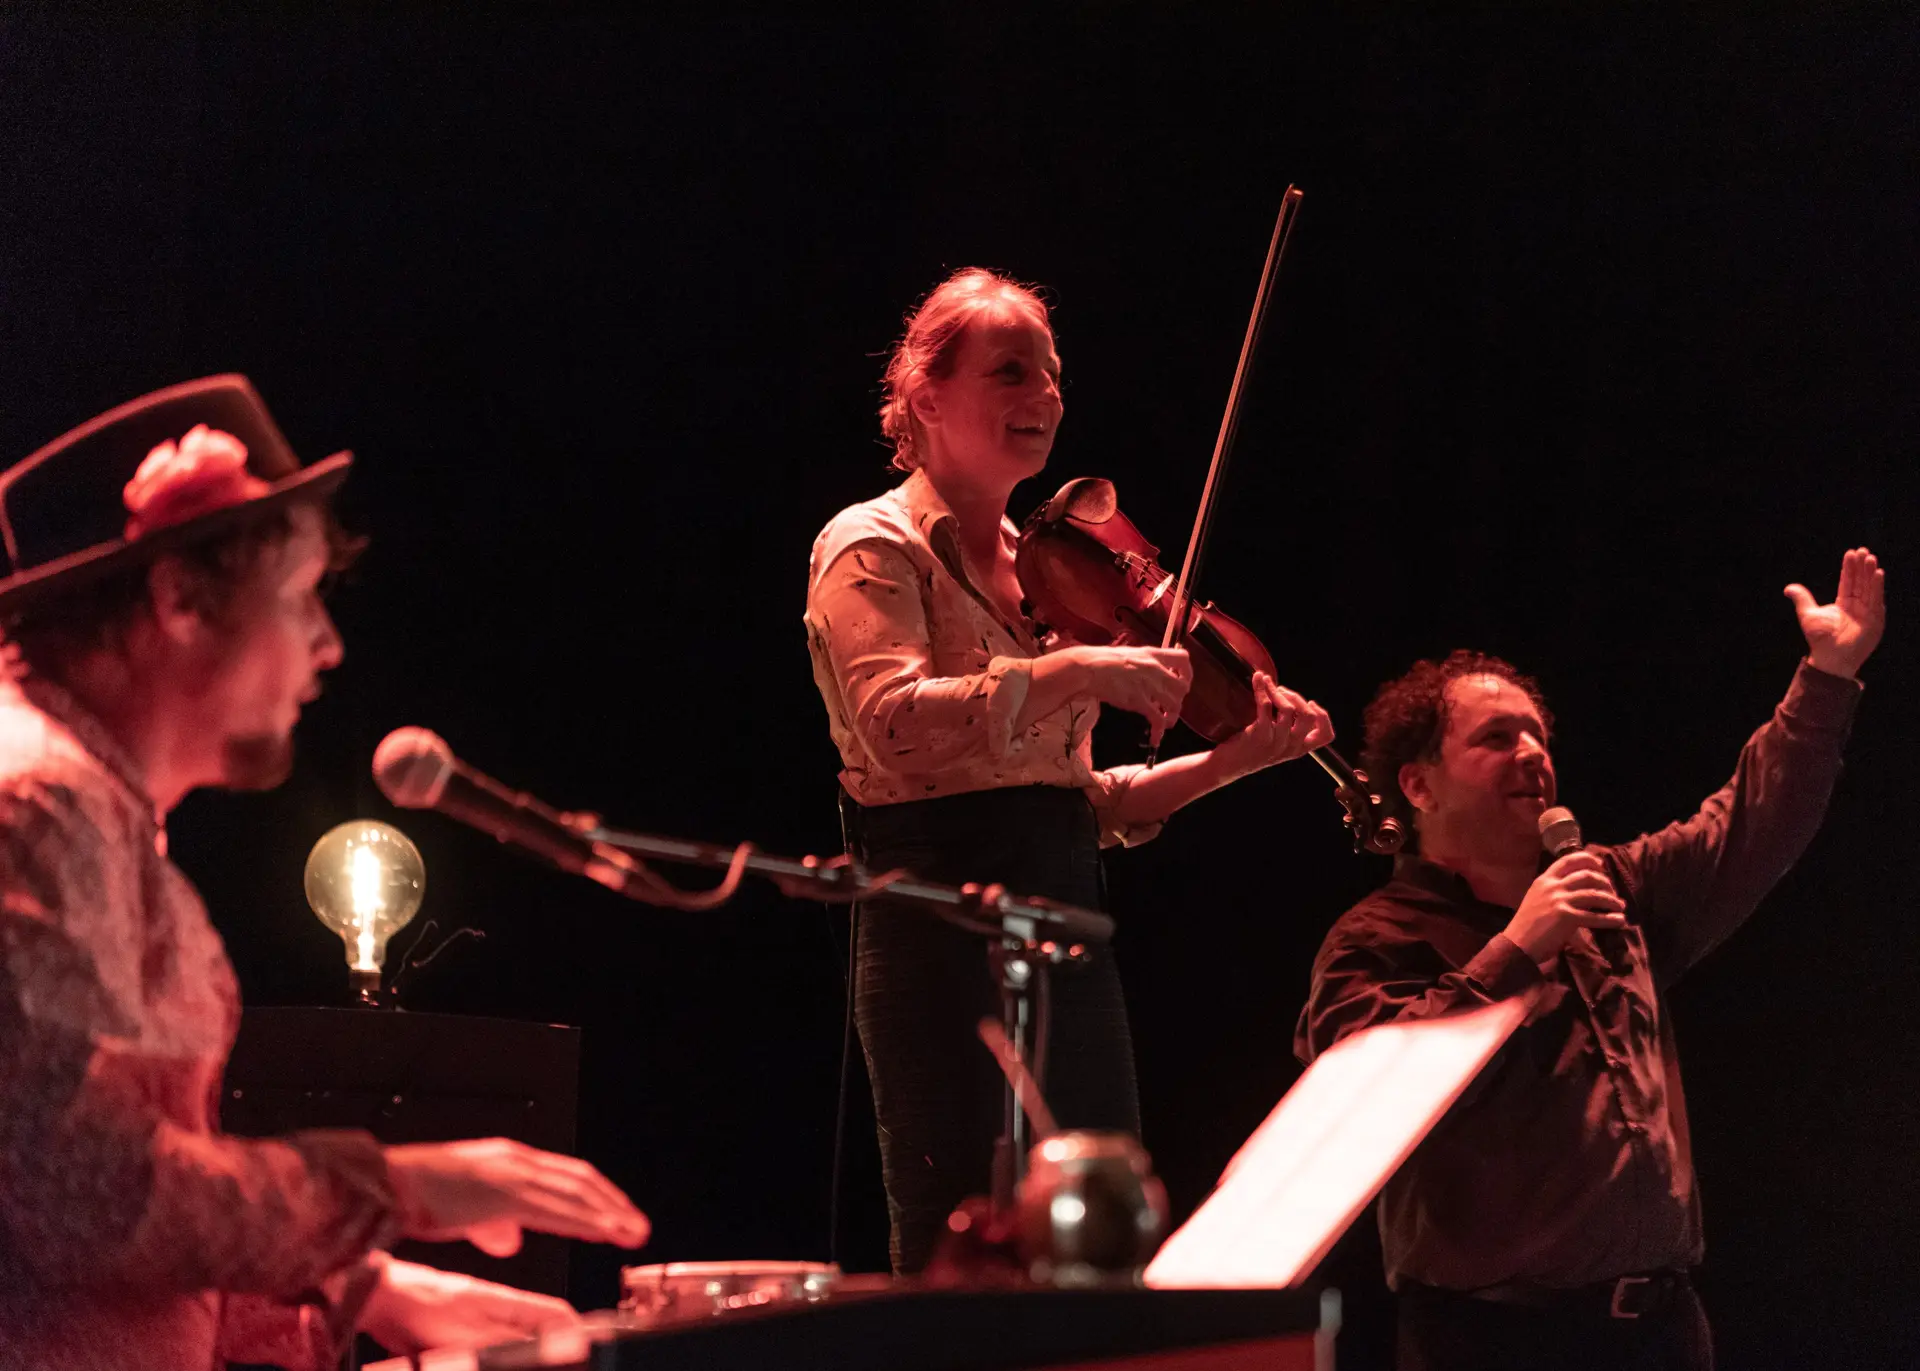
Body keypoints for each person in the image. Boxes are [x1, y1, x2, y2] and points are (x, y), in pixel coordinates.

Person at [0, 376, 652, 1371]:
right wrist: (394, 1189)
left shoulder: (93, 805)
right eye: (301, 594)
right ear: (179, 598)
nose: (329, 644)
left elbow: (94, 1242)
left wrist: (364, 1290)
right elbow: (82, 1194)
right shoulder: (39, 803)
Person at [805, 268, 1336, 1271]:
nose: (1045, 396)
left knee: (1096, 1232)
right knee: (958, 1233)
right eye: (1011, 372)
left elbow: (1084, 806)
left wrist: (1236, 758)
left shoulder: (1046, 573)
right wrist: (1079, 669)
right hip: (937, 918)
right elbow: (892, 723)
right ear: (926, 396)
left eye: (1052, 375)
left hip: (1065, 913)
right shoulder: (867, 543)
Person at [1295, 548, 1885, 1371]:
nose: (1532, 753)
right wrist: (1517, 950)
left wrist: (1827, 674)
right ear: (1419, 786)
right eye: (1496, 738)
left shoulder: (1608, 882)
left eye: (1538, 735)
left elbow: (1749, 825)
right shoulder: (1378, 936)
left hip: (1660, 1333)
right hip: (1493, 1343)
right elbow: (1360, 1105)